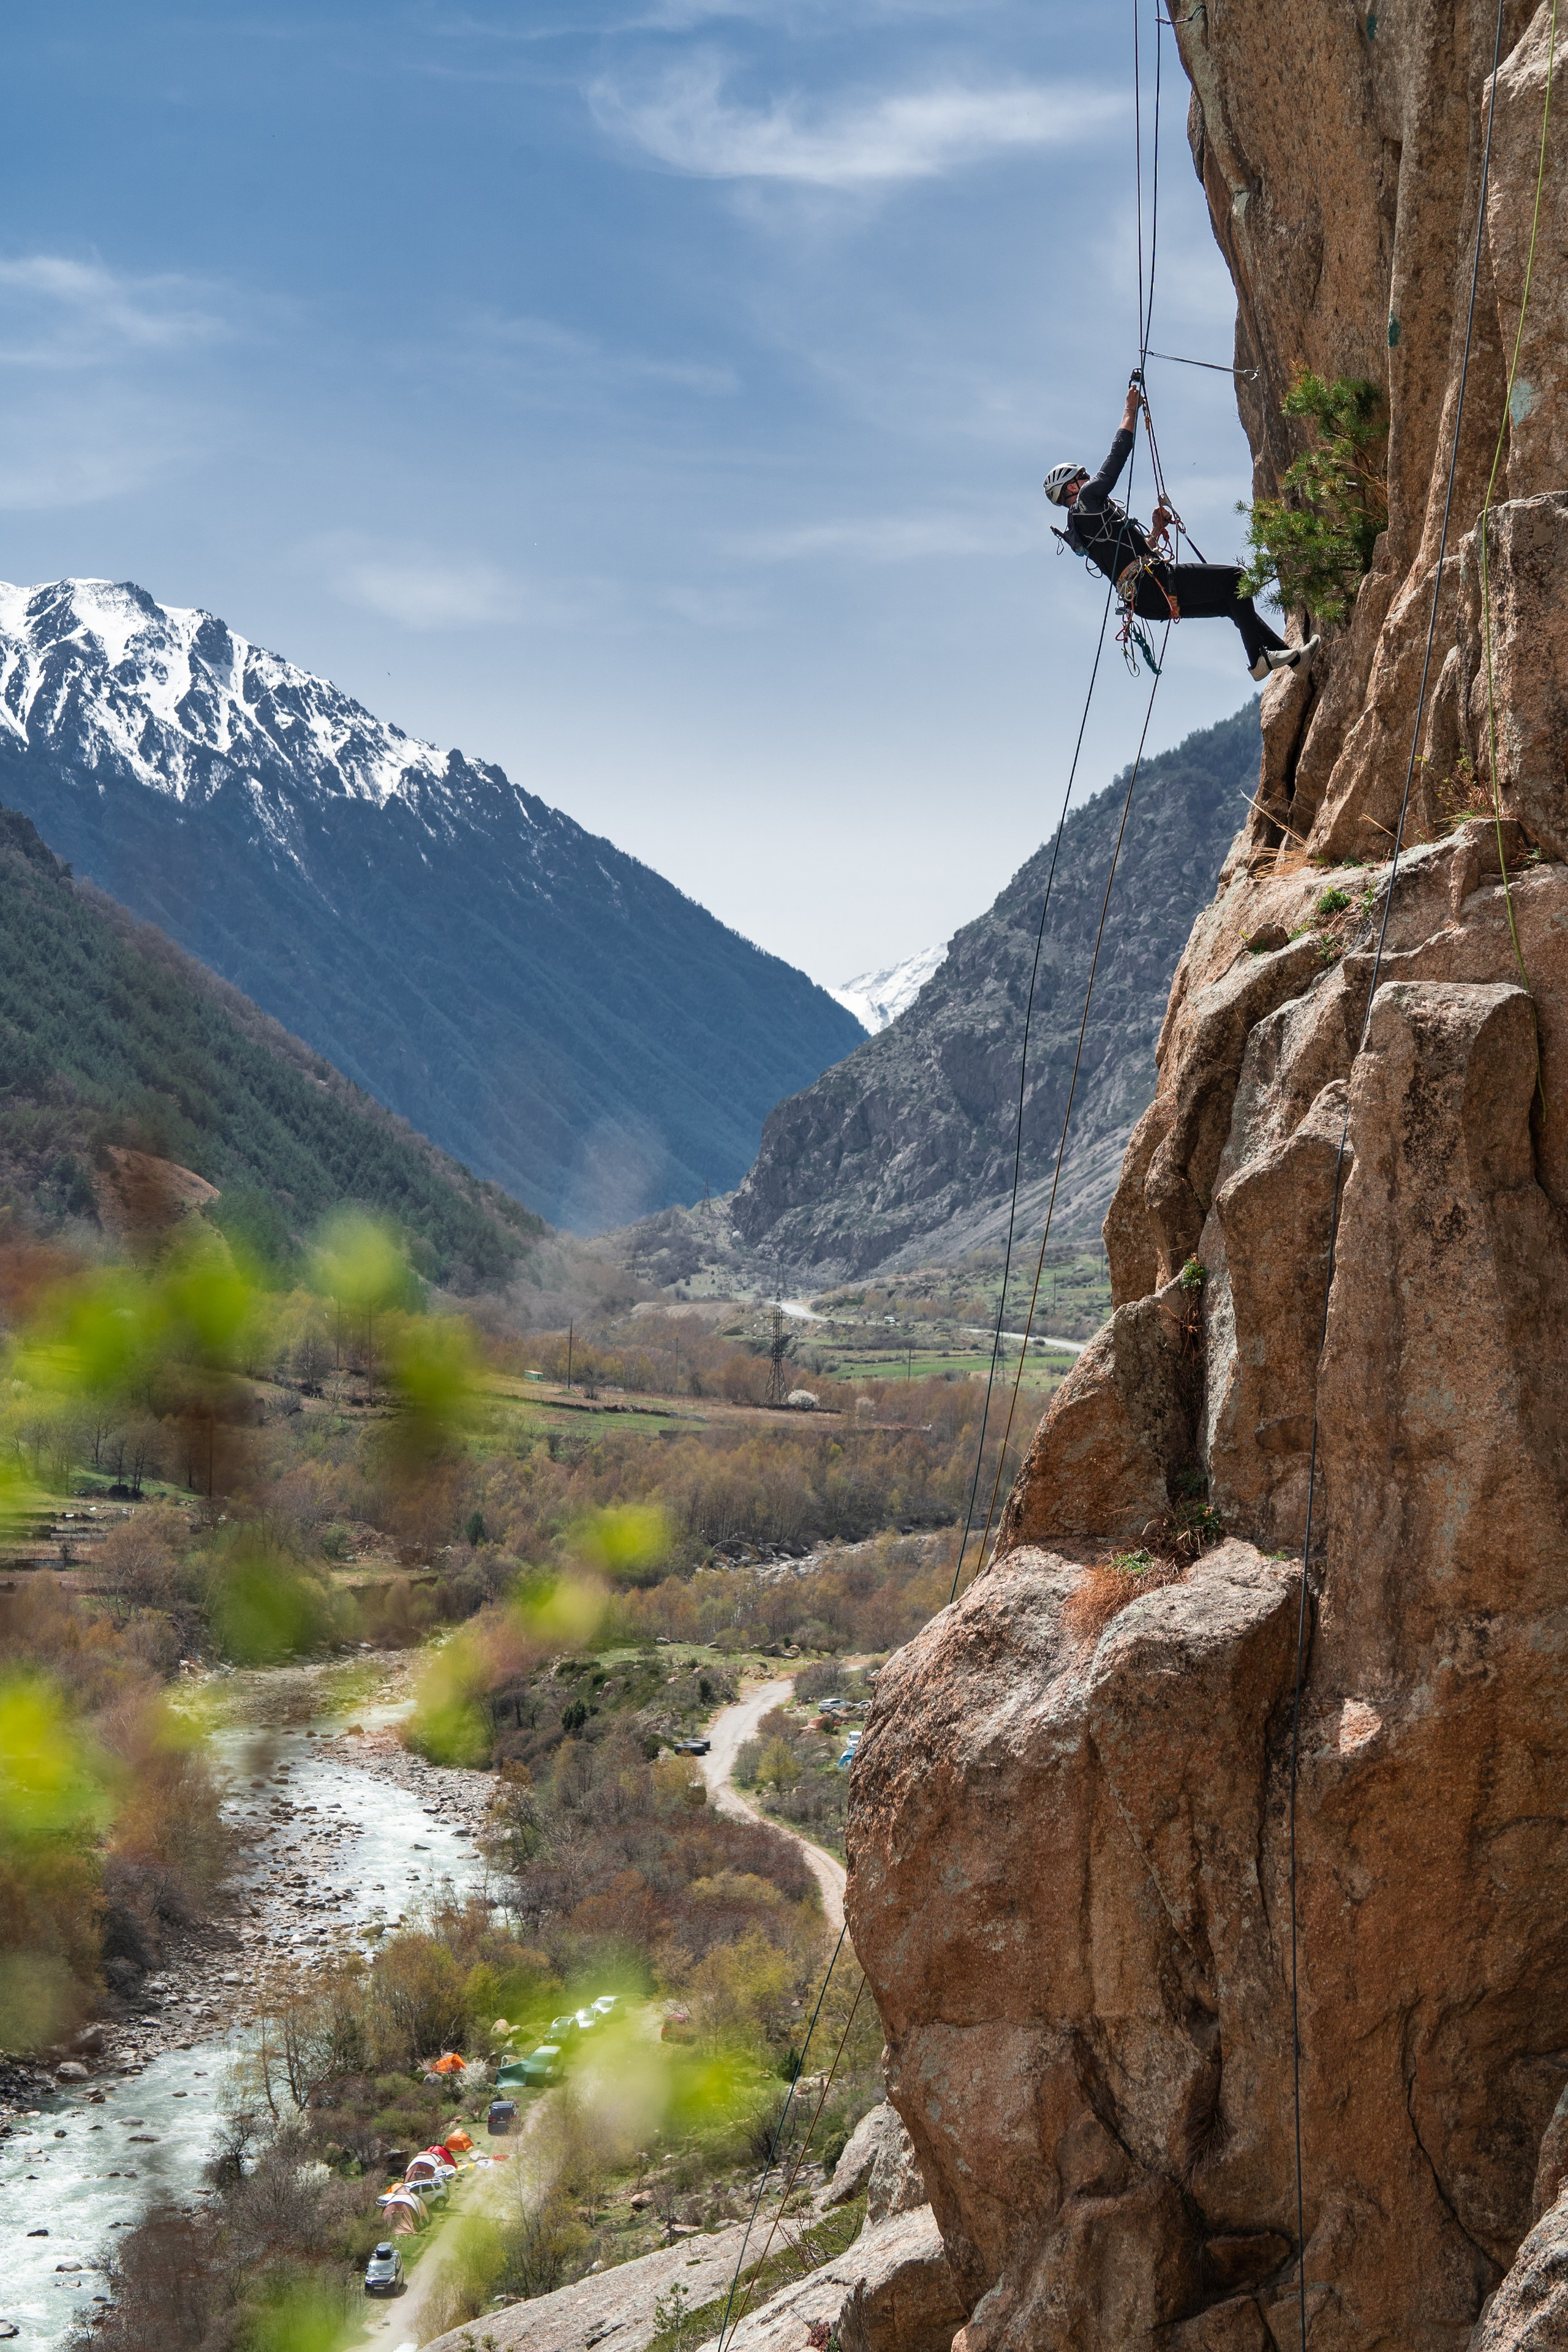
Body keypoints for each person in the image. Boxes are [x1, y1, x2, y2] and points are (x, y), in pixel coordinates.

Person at [1044, 379, 1319, 682]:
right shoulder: (1087, 501)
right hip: (1155, 584)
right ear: (1071, 487)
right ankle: (1257, 660)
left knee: (1232, 601)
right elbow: (1116, 458)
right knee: (1235, 579)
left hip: (1148, 600)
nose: (1087, 479)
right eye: (1081, 477)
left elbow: (1125, 557)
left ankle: (1296, 660)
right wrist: (1130, 410)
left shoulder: (1085, 525)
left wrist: (1154, 530)